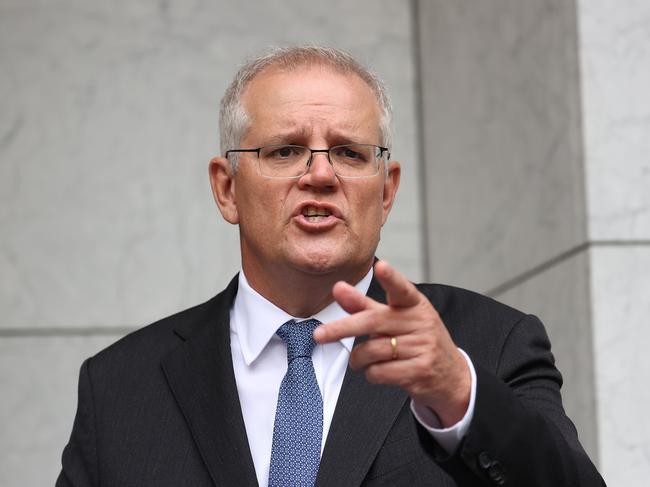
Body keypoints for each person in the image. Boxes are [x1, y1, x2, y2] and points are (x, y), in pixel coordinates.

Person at [57, 46, 604, 486]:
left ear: (386, 192)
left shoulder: (489, 344)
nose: (319, 175)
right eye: (284, 151)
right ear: (226, 190)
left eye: (348, 152)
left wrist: (458, 393)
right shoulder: (119, 388)